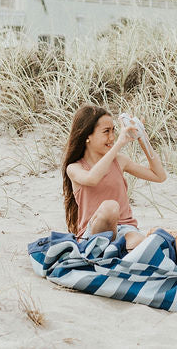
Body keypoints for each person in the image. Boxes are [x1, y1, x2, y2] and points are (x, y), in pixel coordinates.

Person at [62, 104, 167, 250]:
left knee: (140, 243)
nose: (112, 137)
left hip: (125, 230)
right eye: (106, 131)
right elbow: (92, 179)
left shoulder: (120, 161)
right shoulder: (74, 168)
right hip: (93, 235)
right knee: (110, 207)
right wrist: (119, 144)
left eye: (113, 131)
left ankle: (128, 250)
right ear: (87, 136)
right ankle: (114, 251)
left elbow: (159, 176)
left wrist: (142, 138)